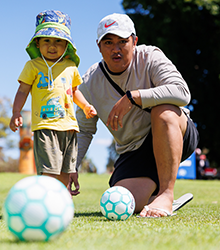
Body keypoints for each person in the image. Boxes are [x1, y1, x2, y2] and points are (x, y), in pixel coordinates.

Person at [68, 13, 199, 217]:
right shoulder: (89, 82)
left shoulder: (150, 56)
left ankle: (166, 193)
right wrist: (72, 166)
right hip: (134, 150)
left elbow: (182, 92)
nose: (116, 49)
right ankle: (153, 198)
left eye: (123, 41)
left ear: (134, 41)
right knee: (123, 201)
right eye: (108, 42)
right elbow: (84, 129)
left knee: (162, 111)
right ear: (98, 46)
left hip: (175, 130)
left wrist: (134, 97)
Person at [10, 10, 97, 187]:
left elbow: (74, 92)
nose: (52, 45)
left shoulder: (71, 67)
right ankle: (47, 204)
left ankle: (62, 203)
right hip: (46, 126)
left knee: (66, 170)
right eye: (47, 40)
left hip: (70, 127)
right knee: (49, 171)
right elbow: (22, 90)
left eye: (59, 41)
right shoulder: (33, 66)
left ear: (67, 45)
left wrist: (86, 105)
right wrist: (16, 112)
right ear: (37, 42)